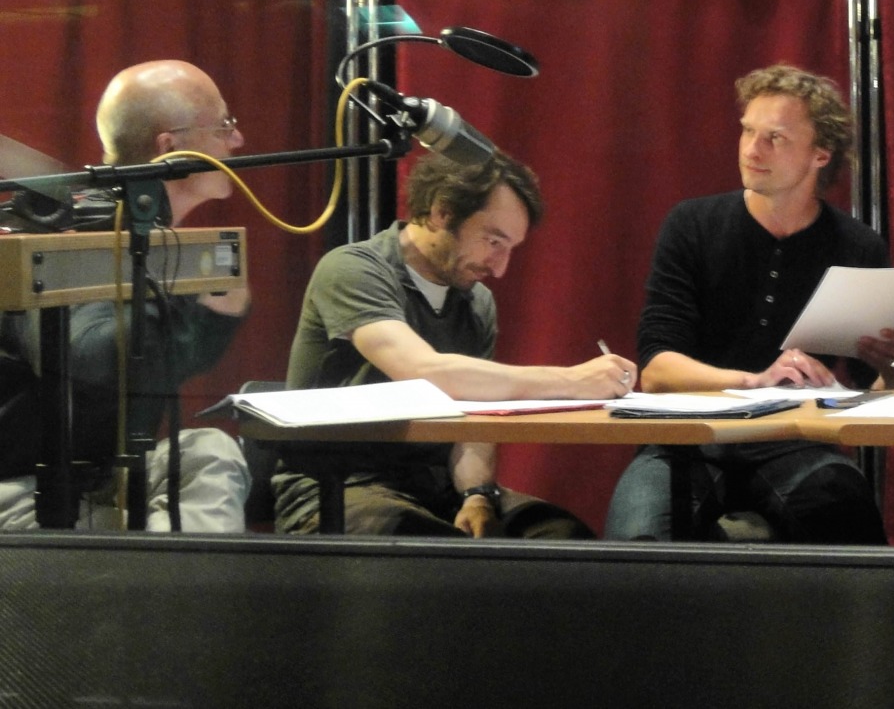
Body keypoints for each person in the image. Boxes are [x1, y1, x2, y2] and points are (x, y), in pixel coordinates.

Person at [273, 151, 636, 537]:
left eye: (510, 249)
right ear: (441, 213)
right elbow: (422, 371)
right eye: (493, 241)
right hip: (338, 485)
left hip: (434, 488)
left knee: (563, 537)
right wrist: (572, 381)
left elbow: (475, 421)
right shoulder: (353, 269)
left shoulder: (477, 301)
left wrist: (477, 496)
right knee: (430, 546)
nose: (500, 267)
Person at [604, 64, 894, 543]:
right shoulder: (691, 225)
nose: (751, 150)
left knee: (848, 520)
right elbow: (656, 369)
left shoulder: (858, 246)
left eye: (774, 138)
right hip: (686, 437)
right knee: (638, 540)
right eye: (747, 131)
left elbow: (872, 387)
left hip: (796, 439)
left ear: (821, 154)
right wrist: (755, 381)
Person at [0, 60, 253, 531]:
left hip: (105, 477)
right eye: (223, 126)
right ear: (169, 147)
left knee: (210, 451)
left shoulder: (156, 241)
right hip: (23, 489)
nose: (237, 140)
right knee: (130, 529)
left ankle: (178, 573)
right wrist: (202, 314)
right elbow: (92, 358)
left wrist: (211, 314)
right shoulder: (69, 236)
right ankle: (158, 573)